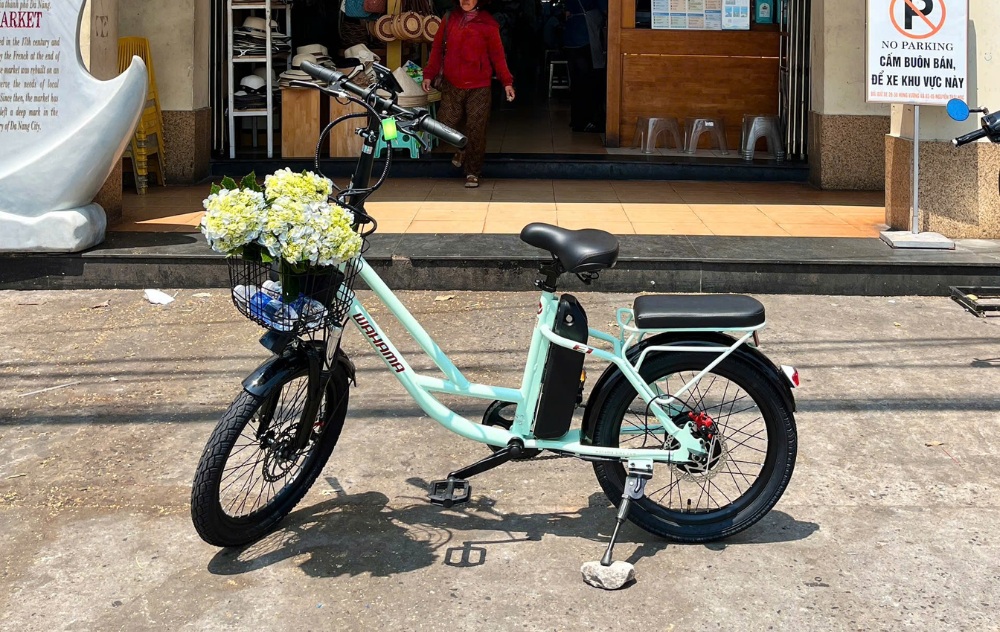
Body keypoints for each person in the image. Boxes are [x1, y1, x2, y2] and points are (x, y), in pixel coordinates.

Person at [422, 0, 515, 188]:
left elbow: (498, 55)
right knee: (445, 123)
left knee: (476, 128)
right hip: (452, 83)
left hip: (479, 85)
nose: (466, 0)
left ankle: (473, 172)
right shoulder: (449, 19)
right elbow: (437, 48)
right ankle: (463, 147)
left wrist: (507, 82)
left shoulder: (488, 24)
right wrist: (429, 75)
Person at [562, 0, 607, 133]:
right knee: (591, 81)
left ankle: (578, 121)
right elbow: (608, 11)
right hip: (586, 37)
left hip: (571, 38)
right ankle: (592, 120)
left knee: (577, 82)